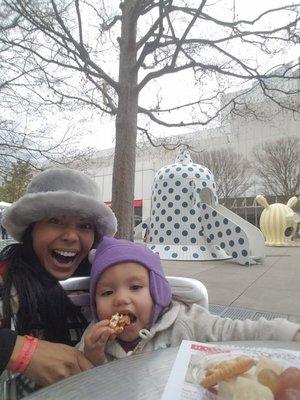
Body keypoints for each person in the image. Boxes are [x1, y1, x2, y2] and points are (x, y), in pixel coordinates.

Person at [78, 237, 300, 366]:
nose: (121, 299)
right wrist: (91, 357)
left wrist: (288, 334)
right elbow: (75, 385)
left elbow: (235, 332)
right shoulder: (93, 339)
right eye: (107, 292)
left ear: (157, 292)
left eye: (135, 287)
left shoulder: (187, 322)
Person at [0, 168, 117, 398]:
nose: (71, 237)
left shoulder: (108, 281)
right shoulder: (5, 277)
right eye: (55, 220)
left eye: (84, 225)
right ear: (31, 228)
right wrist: (14, 348)